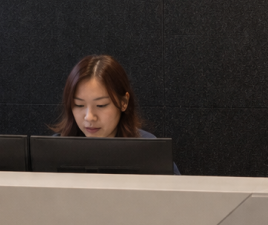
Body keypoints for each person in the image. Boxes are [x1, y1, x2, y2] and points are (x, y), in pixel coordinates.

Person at [52, 54, 180, 173]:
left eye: (101, 105)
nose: (89, 117)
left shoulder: (149, 149)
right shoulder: (55, 150)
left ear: (124, 102)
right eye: (79, 105)